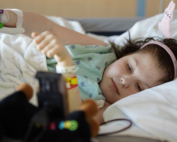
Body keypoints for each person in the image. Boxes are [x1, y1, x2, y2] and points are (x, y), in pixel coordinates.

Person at [1, 9, 177, 124]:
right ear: (126, 54)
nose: (125, 80)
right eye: (129, 67)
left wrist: (66, 65)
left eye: (138, 87)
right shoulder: (100, 50)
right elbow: (48, 28)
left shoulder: (106, 109)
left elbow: (73, 121)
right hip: (15, 56)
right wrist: (11, 18)